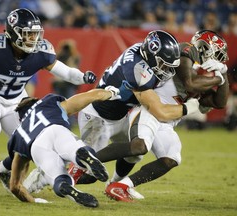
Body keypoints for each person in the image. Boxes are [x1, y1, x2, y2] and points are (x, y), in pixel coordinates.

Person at [25, 30, 202, 196]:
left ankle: (116, 184)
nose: (168, 71)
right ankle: (43, 176)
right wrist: (192, 108)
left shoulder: (145, 53)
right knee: (90, 172)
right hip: (97, 116)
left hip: (121, 114)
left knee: (136, 151)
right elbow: (160, 112)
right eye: (164, 65)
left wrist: (193, 50)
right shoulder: (139, 71)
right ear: (152, 57)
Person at [0, 8, 97, 197]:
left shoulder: (41, 52)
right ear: (13, 32)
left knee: (27, 143)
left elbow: (66, 72)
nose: (32, 38)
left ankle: (4, 171)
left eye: (34, 34)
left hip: (16, 100)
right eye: (27, 33)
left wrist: (82, 77)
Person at [95, 30, 229, 202]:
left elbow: (220, 102)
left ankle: (122, 186)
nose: (219, 60)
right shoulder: (184, 51)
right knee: (139, 147)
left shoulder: (205, 74)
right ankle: (84, 160)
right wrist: (218, 79)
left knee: (172, 157)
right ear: (204, 48)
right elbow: (190, 84)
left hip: (167, 122)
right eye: (217, 54)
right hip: (149, 110)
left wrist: (223, 75)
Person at [6, 86, 121, 207]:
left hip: (37, 148)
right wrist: (110, 93)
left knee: (59, 178)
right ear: (36, 102)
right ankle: (84, 156)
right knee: (75, 150)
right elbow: (89, 96)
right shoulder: (48, 103)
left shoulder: (17, 135)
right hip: (55, 130)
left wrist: (33, 201)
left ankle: (63, 185)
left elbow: (14, 186)